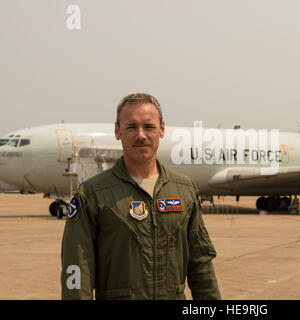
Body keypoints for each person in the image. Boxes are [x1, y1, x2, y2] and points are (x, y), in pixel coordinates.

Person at [61, 93, 221, 300]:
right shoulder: (91, 195)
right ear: (118, 131)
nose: (141, 135)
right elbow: (77, 271)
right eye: (131, 127)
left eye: (149, 126)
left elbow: (201, 266)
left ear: (162, 129)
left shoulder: (184, 190)